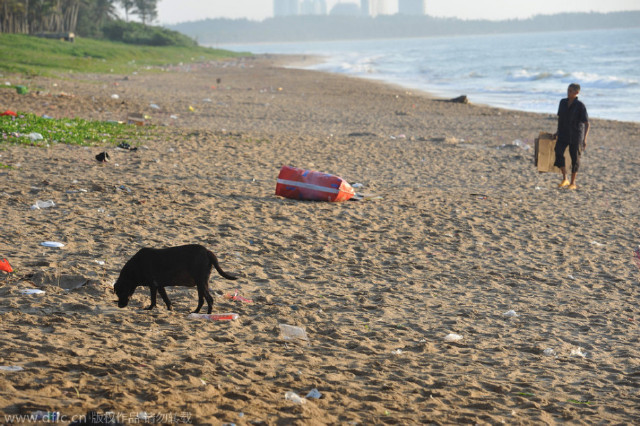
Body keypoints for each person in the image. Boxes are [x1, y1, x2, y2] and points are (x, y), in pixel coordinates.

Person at [554, 83, 590, 190]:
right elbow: (560, 119)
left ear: (576, 93)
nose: (568, 92)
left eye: (570, 91)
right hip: (563, 134)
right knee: (558, 152)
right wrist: (557, 132)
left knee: (575, 159)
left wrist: (585, 139)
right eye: (568, 90)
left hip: (576, 136)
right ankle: (565, 178)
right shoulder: (562, 102)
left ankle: (573, 183)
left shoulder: (580, 106)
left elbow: (587, 123)